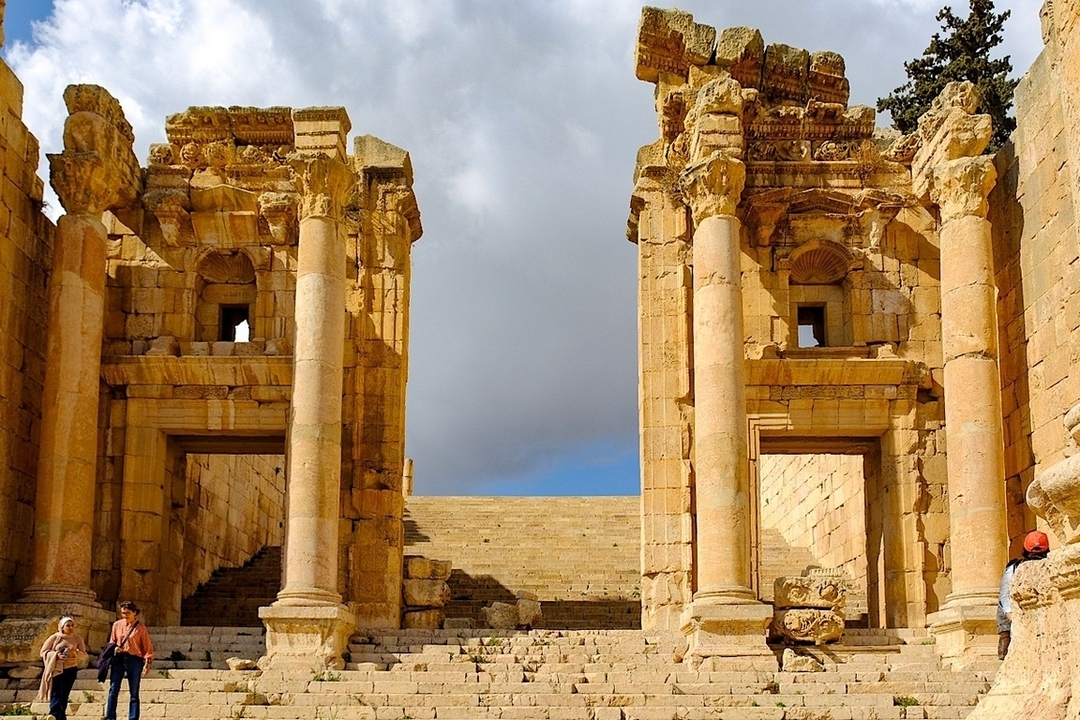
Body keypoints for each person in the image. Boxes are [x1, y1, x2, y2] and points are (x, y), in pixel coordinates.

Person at [997, 529, 1050, 660]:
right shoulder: (1048, 566)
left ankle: (1005, 640)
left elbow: (1004, 595)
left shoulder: (1013, 567)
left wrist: (1010, 615)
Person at [104, 601, 155, 720]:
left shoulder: (141, 628)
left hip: (134, 660)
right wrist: (115, 648)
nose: (125, 616)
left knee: (134, 691)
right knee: (113, 689)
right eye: (122, 613)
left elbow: (147, 646)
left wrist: (147, 663)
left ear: (134, 613)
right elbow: (112, 640)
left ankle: (133, 717)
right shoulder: (117, 625)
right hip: (119, 659)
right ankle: (110, 717)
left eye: (127, 613)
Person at [38, 616, 87, 720]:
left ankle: (61, 716)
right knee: (57, 692)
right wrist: (56, 655)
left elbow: (83, 655)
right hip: (57, 668)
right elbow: (43, 652)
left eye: (72, 625)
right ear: (62, 626)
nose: (70, 627)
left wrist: (75, 651)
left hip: (71, 668)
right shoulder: (55, 637)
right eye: (68, 625)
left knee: (65, 693)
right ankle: (54, 713)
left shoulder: (78, 639)